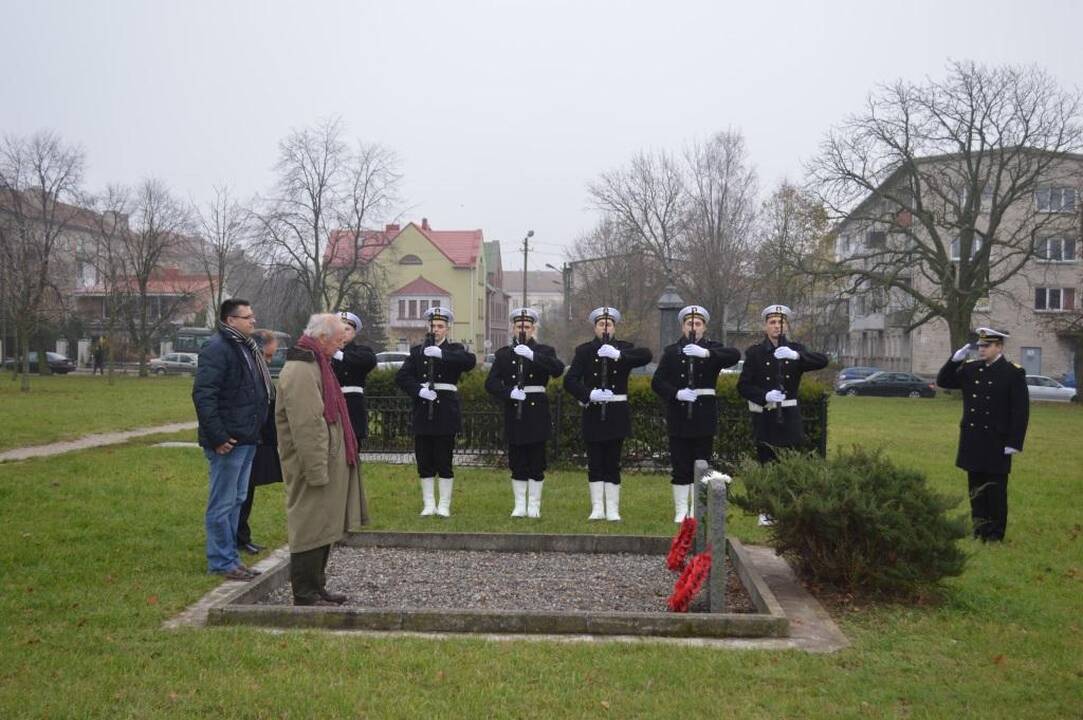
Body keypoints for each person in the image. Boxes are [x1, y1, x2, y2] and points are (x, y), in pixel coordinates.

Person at [276, 313, 365, 605]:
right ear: (322, 338)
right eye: (338, 340)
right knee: (309, 525)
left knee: (322, 524)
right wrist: (316, 470)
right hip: (313, 463)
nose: (341, 347)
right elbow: (307, 425)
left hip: (326, 459)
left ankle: (317, 587)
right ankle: (305, 592)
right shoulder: (302, 370)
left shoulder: (317, 363)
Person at [192, 298, 271, 581]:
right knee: (222, 502)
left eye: (253, 315)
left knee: (237, 499)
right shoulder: (218, 349)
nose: (253, 321)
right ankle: (221, 561)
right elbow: (204, 395)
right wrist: (218, 436)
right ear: (230, 321)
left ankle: (231, 558)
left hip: (248, 437)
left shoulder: (245, 348)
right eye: (246, 317)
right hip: (229, 440)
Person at [737, 304, 828, 525]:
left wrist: (796, 356)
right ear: (765, 326)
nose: (777, 326)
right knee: (766, 462)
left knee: (788, 463)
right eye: (773, 322)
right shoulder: (755, 353)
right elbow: (743, 386)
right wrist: (765, 395)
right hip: (766, 416)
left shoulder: (796, 349)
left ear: (786, 325)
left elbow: (822, 360)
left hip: (789, 416)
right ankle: (766, 510)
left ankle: (785, 507)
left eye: (781, 322)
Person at [935, 327, 1029, 542]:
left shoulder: (1012, 373)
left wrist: (1015, 442)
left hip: (997, 440)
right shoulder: (971, 369)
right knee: (976, 489)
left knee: (995, 490)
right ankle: (980, 530)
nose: (981, 350)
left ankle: (995, 533)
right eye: (980, 346)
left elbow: (1020, 411)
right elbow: (944, 382)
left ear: (999, 347)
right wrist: (954, 361)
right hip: (973, 439)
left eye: (986, 346)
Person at [651, 305, 740, 522]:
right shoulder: (672, 351)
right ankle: (681, 510)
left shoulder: (712, 349)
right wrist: (676, 393)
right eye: (690, 323)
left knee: (702, 462)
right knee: (680, 464)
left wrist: (707, 353)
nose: (694, 327)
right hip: (679, 413)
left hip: (703, 414)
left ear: (704, 327)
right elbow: (657, 382)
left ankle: (697, 509)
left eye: (698, 324)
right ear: (683, 326)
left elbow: (734, 355)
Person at [563, 306, 652, 521]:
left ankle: (612, 508)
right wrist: (589, 394)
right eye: (601, 324)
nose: (605, 328)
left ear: (614, 327)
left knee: (613, 461)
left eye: (609, 324)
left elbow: (646, 355)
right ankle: (597, 507)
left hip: (616, 413)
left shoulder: (624, 348)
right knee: (595, 461)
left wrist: (619, 355)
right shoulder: (584, 351)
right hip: (593, 412)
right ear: (595, 327)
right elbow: (570, 380)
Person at [395, 306, 477, 517]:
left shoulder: (455, 348)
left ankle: (444, 505)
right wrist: (419, 391)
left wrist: (442, 354)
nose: (436, 330)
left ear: (447, 329)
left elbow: (469, 362)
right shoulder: (417, 352)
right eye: (433, 326)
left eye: (440, 326)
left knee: (444, 460)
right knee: (424, 460)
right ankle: (429, 504)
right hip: (423, 409)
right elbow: (402, 377)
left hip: (445, 411)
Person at [484, 307, 565, 518]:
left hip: (536, 409)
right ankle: (520, 505)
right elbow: (491, 383)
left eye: (527, 327)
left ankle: (534, 505)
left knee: (537, 460)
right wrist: (509, 392)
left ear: (533, 329)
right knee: (517, 459)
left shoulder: (544, 351)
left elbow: (557, 369)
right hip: (514, 408)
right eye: (519, 326)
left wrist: (532, 355)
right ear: (513, 328)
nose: (523, 330)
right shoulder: (503, 354)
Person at [236, 329, 283, 555]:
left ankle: (242, 536)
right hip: (250, 435)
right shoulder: (248, 369)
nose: (270, 361)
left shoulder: (261, 370)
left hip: (261, 436)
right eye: (268, 355)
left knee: (249, 488)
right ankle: (237, 537)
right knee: (241, 490)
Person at [331, 310, 377, 525]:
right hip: (331, 408)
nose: (343, 333)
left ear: (354, 333)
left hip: (352, 409)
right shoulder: (325, 352)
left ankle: (351, 505)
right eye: (339, 329)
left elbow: (367, 361)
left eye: (347, 329)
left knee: (351, 459)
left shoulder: (361, 352)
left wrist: (340, 355)